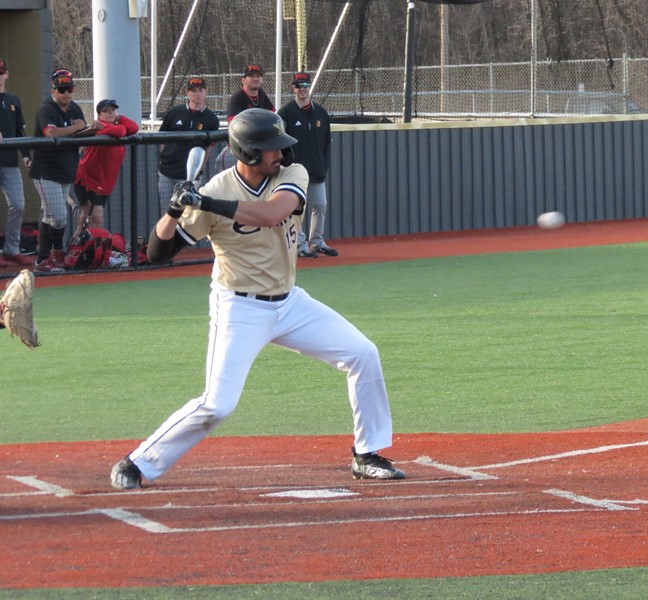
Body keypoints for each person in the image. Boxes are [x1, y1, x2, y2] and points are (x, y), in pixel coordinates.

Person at [110, 108, 404, 490]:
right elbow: (157, 253)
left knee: (362, 353)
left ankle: (367, 453)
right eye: (270, 149)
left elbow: (271, 213)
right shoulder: (214, 189)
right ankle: (139, 462)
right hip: (239, 306)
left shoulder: (289, 175)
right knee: (218, 403)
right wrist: (174, 209)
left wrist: (207, 204)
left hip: (290, 303)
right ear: (248, 154)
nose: (279, 154)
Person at [29, 69, 91, 273]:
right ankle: (55, 250)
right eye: (61, 89)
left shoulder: (74, 108)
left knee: (50, 216)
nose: (66, 93)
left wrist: (90, 128)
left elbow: (83, 132)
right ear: (53, 89)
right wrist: (77, 128)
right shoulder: (46, 108)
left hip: (67, 169)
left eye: (69, 88)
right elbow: (51, 133)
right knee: (58, 215)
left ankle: (43, 259)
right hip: (46, 171)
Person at [278, 71, 337, 259]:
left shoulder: (321, 112)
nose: (302, 90)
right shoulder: (286, 112)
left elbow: (327, 142)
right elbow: (280, 143)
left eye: (304, 86)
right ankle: (300, 244)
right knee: (298, 209)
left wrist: (323, 165)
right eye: (298, 86)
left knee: (320, 204)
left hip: (316, 170)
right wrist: (285, 165)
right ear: (293, 89)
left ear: (309, 88)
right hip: (294, 172)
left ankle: (317, 242)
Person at [72, 99, 139, 234]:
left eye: (112, 110)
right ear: (99, 115)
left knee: (88, 217)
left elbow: (134, 128)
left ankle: (80, 243)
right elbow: (120, 131)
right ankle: (89, 246)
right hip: (88, 179)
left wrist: (119, 117)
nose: (110, 113)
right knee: (95, 217)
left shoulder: (112, 126)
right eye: (106, 111)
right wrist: (108, 126)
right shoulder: (97, 127)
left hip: (104, 183)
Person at [157, 77, 219, 212]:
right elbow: (162, 138)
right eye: (193, 90)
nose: (197, 94)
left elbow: (207, 149)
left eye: (200, 90)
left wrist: (199, 172)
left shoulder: (211, 119)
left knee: (186, 212)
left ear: (205, 92)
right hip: (166, 172)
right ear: (187, 93)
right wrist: (163, 159)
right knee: (166, 210)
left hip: (190, 176)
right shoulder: (174, 112)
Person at [0, 59, 34, 268]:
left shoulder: (13, 100)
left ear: (6, 75)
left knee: (18, 205)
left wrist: (25, 154)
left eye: (1, 73)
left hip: (10, 161)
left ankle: (11, 249)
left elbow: (20, 129)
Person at [214, 63, 275, 174]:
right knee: (225, 171)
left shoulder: (261, 94)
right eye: (251, 76)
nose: (255, 79)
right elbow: (233, 126)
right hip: (239, 148)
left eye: (258, 76)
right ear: (243, 80)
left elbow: (273, 116)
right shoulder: (237, 98)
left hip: (258, 148)